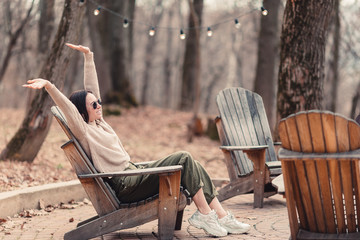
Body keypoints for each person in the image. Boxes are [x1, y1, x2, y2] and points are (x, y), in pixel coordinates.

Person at [23, 43, 250, 237]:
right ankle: (206, 216)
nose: (99, 105)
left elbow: (92, 90)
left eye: (98, 102)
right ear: (83, 111)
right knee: (184, 157)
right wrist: (50, 87)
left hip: (132, 173)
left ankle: (219, 216)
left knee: (194, 165)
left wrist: (88, 56)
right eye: (93, 105)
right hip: (125, 184)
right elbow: (69, 110)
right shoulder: (84, 131)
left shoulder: (100, 123)